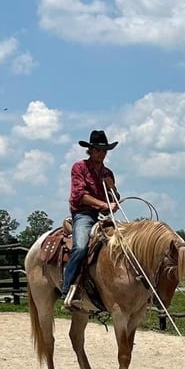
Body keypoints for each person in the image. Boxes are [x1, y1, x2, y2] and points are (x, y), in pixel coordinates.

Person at [61, 130, 121, 308]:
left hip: (103, 217)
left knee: (123, 244)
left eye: (104, 151)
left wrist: (113, 190)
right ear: (90, 150)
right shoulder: (79, 168)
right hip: (84, 215)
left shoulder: (107, 173)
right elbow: (80, 195)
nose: (101, 154)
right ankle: (67, 287)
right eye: (98, 150)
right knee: (80, 247)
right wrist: (104, 205)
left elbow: (114, 199)